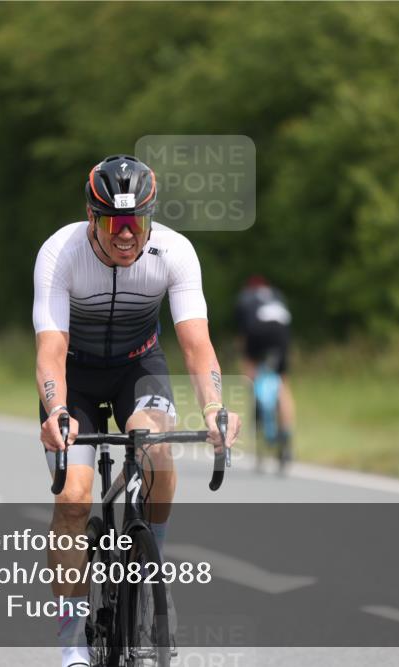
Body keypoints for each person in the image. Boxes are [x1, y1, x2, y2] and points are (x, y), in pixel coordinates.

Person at [33, 154, 241, 667]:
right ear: (92, 218)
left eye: (137, 222)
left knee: (158, 456)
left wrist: (215, 406)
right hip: (75, 374)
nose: (127, 235)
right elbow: (50, 351)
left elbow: (196, 345)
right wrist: (57, 410)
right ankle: (70, 643)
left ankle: (151, 574)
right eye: (114, 223)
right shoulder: (60, 253)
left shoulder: (175, 252)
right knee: (75, 499)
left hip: (137, 366)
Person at [235, 275, 295, 458]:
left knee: (251, 372)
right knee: (283, 383)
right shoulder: (277, 295)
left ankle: (258, 403)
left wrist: (247, 365)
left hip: (257, 331)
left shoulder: (245, 298)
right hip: (281, 332)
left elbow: (243, 334)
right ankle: (286, 434)